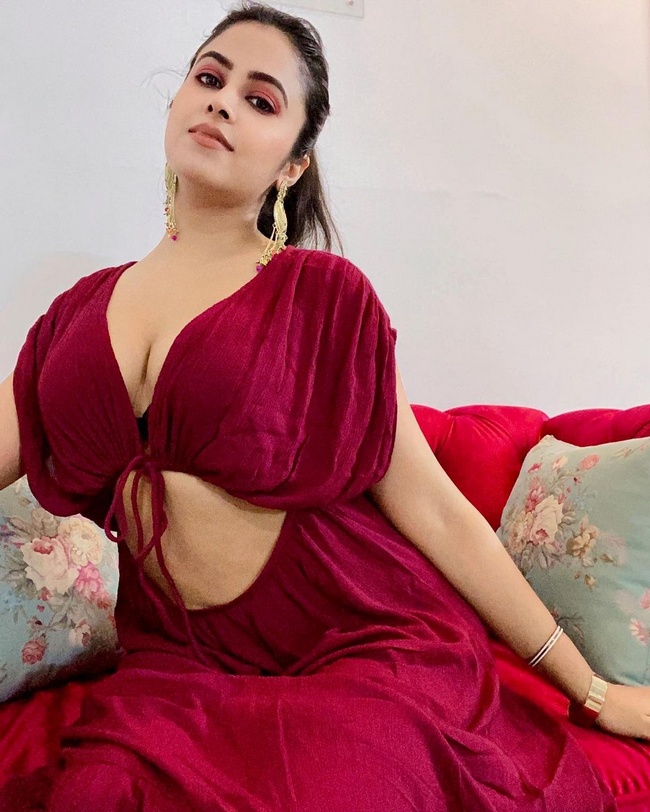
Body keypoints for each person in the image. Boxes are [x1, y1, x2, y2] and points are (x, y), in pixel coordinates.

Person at [0, 2, 647, 809]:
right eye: (208, 78)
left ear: (293, 165)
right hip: (181, 666)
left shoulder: (324, 297)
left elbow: (437, 512)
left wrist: (592, 690)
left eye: (260, 99)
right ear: (175, 103)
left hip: (358, 639)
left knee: (339, 783)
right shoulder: (74, 313)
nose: (223, 102)